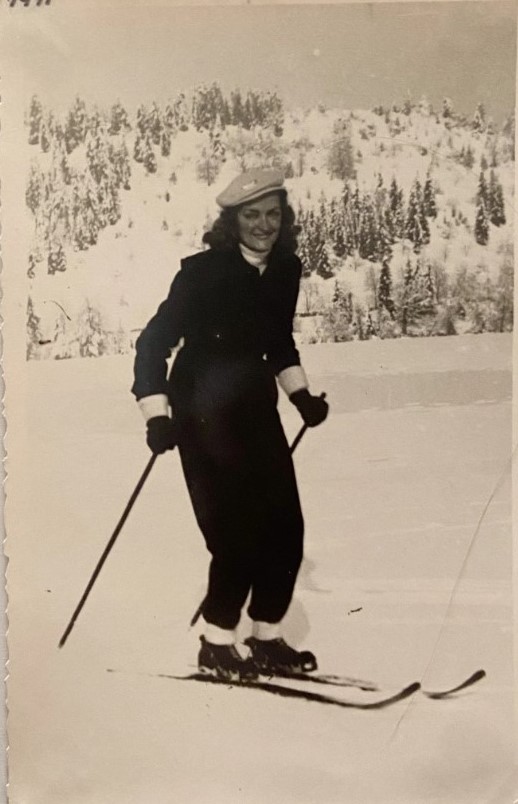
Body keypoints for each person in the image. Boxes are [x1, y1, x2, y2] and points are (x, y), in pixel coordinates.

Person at [132, 168, 329, 681]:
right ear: (232, 220)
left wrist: (300, 393)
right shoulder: (202, 274)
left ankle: (266, 636)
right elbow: (153, 344)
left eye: (272, 214)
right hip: (201, 406)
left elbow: (278, 341)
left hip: (255, 406)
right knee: (237, 530)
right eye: (251, 215)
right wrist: (157, 414)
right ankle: (217, 641)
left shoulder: (285, 269)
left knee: (286, 525)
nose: (263, 225)